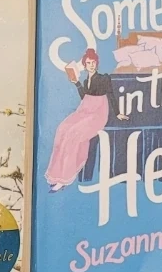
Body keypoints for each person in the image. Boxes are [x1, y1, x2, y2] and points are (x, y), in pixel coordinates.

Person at [45, 48, 114, 191]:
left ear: (97, 63)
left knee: (73, 134)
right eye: (88, 63)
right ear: (84, 65)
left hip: (97, 114)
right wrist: (76, 82)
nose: (91, 65)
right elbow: (85, 98)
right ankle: (56, 174)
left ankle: (65, 177)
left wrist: (118, 113)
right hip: (85, 110)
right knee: (62, 129)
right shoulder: (86, 80)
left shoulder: (103, 78)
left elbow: (110, 95)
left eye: (93, 62)